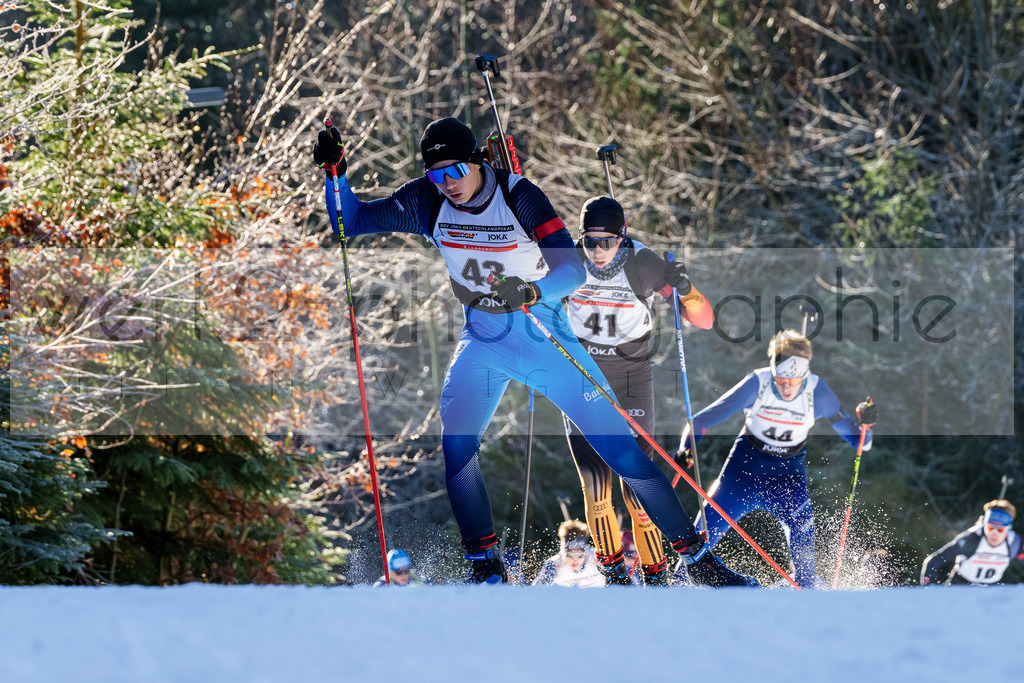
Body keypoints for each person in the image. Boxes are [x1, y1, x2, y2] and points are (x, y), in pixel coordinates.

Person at [312, 117, 751, 586]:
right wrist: (336, 176)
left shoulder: (518, 195)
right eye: (437, 174)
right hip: (484, 339)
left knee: (623, 453)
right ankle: (486, 565)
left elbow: (572, 270)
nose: (448, 184)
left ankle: (699, 560)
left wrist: (533, 291)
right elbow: (349, 222)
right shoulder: (426, 199)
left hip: (543, 336)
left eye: (456, 171)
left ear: (477, 162)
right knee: (456, 445)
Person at [563, 196, 714, 587]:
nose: (597, 252)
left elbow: (704, 319)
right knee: (596, 487)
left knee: (637, 489)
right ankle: (614, 573)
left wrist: (687, 289)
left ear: (623, 236)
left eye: (607, 242)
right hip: (582, 378)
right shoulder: (567, 259)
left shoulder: (642, 264)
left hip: (630, 380)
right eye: (590, 242)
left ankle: (655, 575)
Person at [677, 329, 875, 589]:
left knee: (804, 543)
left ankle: (805, 590)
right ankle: (677, 584)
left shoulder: (818, 393)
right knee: (702, 534)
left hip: (787, 477)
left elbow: (861, 442)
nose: (786, 387)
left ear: (805, 375)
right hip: (743, 471)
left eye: (793, 382)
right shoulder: (757, 383)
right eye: (780, 380)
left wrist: (867, 424)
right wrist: (686, 449)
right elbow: (701, 420)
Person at [921, 500, 1023, 585]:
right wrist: (927, 587)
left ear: (1008, 529)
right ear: (984, 524)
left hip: (991, 590)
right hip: (960, 586)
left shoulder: (1014, 543)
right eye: (990, 528)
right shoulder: (970, 539)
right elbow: (934, 560)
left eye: (1000, 530)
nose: (994, 534)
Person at [532, 520, 606, 587]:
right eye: (570, 555)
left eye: (579, 555)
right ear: (563, 552)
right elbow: (537, 590)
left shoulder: (597, 557)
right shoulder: (554, 564)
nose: (575, 560)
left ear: (585, 551)